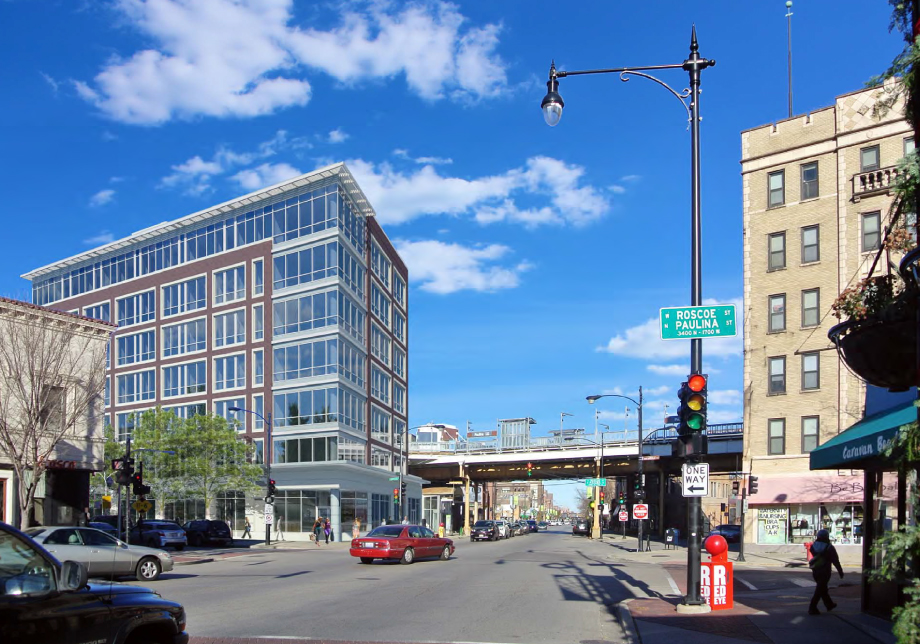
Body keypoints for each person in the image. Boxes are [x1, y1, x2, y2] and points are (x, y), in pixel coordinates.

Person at [808, 529, 844, 615]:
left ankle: (829, 604)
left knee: (822, 588)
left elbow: (813, 553)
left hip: (816, 570)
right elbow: (835, 560)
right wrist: (840, 571)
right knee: (820, 589)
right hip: (825, 570)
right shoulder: (829, 547)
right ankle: (812, 607)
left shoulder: (814, 546)